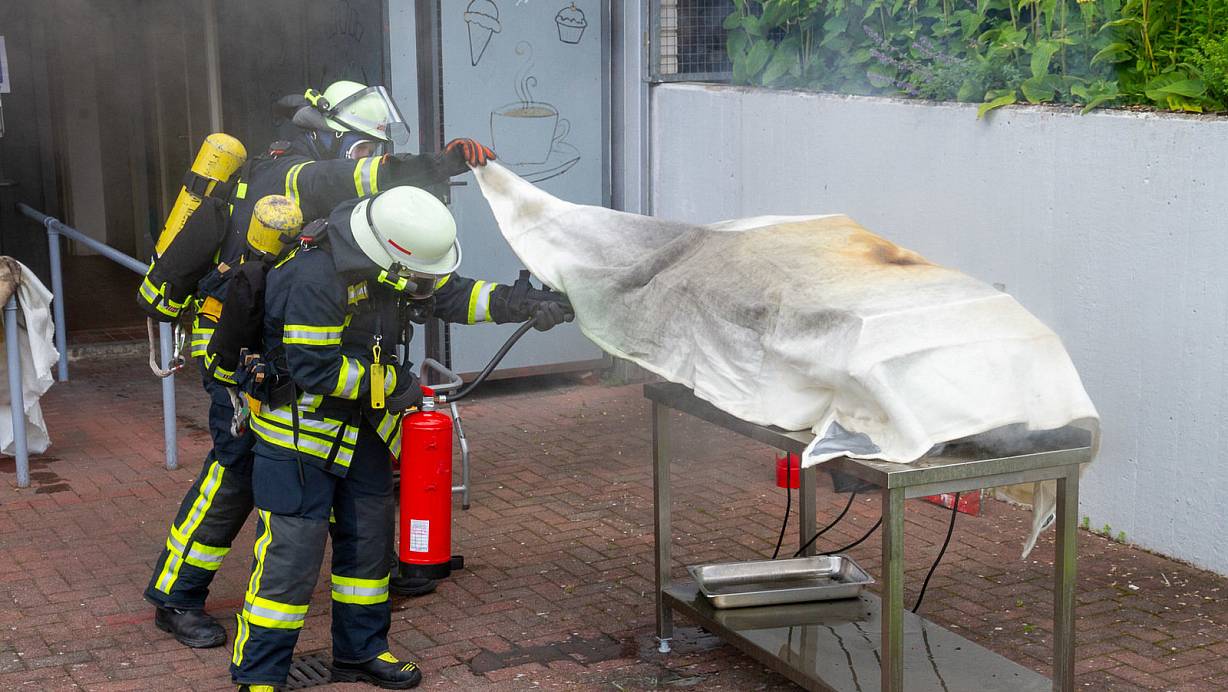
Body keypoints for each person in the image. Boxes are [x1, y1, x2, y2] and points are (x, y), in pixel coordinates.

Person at [143, 79, 496, 649]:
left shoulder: (323, 186)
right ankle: (176, 595)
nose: (369, 161)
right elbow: (353, 178)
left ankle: (389, 569)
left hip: (306, 350)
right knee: (235, 472)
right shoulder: (288, 172)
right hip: (243, 355)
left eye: (374, 150)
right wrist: (437, 162)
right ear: (326, 133)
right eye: (360, 148)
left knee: (371, 455)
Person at [230, 186, 572, 690]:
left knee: (367, 555)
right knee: (289, 566)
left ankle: (360, 653)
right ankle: (259, 675)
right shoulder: (314, 277)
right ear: (389, 256)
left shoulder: (386, 261)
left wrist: (521, 303)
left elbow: (449, 293)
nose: (421, 283)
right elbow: (314, 368)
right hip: (301, 442)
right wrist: (398, 385)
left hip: (364, 435)